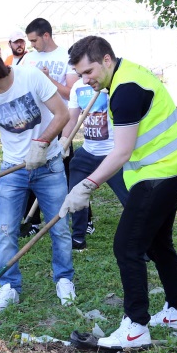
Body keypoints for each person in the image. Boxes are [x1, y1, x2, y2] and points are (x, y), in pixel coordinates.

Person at [61, 36, 177, 350]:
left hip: (161, 174)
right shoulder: (124, 75)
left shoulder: (125, 91)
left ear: (107, 59)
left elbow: (120, 153)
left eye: (89, 71)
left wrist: (86, 186)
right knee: (159, 243)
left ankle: (135, 328)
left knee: (126, 247)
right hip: (173, 168)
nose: (85, 79)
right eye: (80, 74)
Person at [0, 44, 75, 309]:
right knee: (6, 232)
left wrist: (42, 143)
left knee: (60, 228)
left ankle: (64, 280)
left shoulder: (30, 76)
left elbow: (62, 113)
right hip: (12, 170)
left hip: (50, 165)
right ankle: (9, 287)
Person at [20, 18, 78, 236]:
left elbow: (71, 93)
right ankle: (31, 220)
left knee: (66, 170)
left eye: (34, 40)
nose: (31, 44)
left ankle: (80, 219)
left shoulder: (66, 58)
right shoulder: (28, 59)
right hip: (34, 125)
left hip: (60, 122)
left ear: (46, 35)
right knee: (30, 169)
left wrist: (47, 79)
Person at [65, 77, 129, 250]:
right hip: (87, 152)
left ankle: (144, 242)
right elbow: (72, 120)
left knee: (131, 200)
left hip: (112, 154)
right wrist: (64, 140)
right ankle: (78, 238)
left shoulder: (113, 85)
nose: (84, 76)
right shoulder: (78, 87)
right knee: (76, 193)